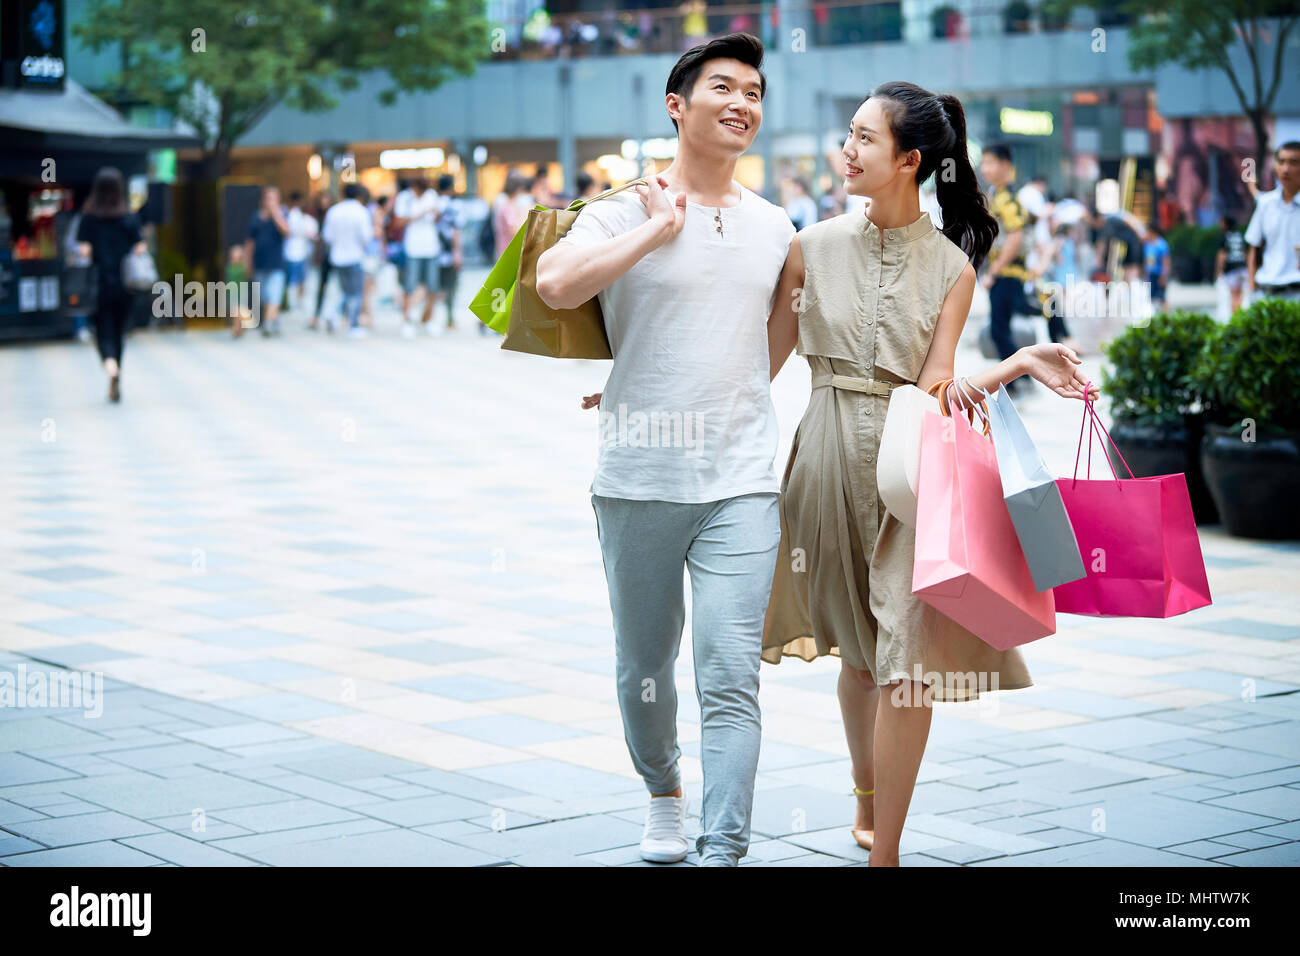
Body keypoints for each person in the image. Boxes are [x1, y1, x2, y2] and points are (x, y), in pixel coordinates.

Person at [761, 82, 1097, 867]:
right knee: (857, 654)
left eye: (863, 140)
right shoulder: (807, 246)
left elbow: (939, 387)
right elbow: (760, 364)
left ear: (909, 161)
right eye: (849, 135)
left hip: (911, 475)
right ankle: (866, 790)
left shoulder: (953, 268)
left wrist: (1014, 362)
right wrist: (646, 384)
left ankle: (889, 856)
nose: (846, 151)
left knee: (906, 664)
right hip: (822, 467)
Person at [536, 33, 795, 867]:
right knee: (643, 666)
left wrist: (710, 388)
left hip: (742, 481)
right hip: (639, 478)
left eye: (753, 91)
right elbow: (555, 285)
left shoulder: (775, 226)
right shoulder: (618, 211)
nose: (742, 103)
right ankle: (662, 794)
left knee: (729, 672)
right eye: (722, 87)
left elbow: (770, 345)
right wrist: (657, 231)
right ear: (677, 108)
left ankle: (725, 846)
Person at [76, 167, 145, 403]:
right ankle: (117, 374)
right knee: (118, 333)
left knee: (102, 331)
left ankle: (110, 367)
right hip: (126, 284)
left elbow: (83, 251)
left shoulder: (89, 219)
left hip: (99, 284)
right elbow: (140, 247)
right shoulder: (129, 218)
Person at [977, 143, 1032, 396]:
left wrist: (994, 272)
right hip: (1004, 275)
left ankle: (1016, 378)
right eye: (984, 163)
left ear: (1005, 165)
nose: (985, 168)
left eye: (990, 163)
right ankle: (1018, 378)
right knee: (1001, 328)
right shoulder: (997, 194)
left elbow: (1015, 237)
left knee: (999, 330)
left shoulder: (1008, 198)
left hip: (1008, 276)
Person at [1244, 141, 1300, 304]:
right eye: (1281, 162)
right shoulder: (1265, 203)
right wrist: (1252, 287)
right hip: (1266, 292)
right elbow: (1254, 246)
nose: (1285, 169)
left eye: (1293, 162)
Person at [320, 183, 373, 338]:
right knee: (355, 292)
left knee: (345, 291)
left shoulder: (334, 211)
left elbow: (327, 236)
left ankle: (333, 314)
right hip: (355, 256)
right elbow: (366, 237)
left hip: (337, 257)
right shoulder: (361, 212)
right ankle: (353, 324)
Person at [393, 177, 442, 336]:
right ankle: (406, 320)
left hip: (431, 247)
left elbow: (437, 219)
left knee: (433, 286)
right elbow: (398, 222)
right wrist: (421, 213)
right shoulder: (405, 198)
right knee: (409, 286)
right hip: (412, 248)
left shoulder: (432, 195)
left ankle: (428, 319)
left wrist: (435, 214)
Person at [245, 186, 290, 336]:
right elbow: (250, 241)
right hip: (260, 263)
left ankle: (268, 324)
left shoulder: (282, 214)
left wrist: (275, 214)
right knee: (264, 296)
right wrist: (248, 261)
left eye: (273, 198)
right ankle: (273, 321)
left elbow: (286, 232)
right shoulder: (256, 217)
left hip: (276, 263)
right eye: (268, 198)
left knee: (274, 294)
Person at [433, 175, 463, 330]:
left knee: (435, 286)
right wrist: (458, 252)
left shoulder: (434, 203)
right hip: (449, 253)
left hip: (433, 252)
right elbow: (456, 230)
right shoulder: (454, 205)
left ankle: (431, 317)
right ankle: (449, 318)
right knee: (451, 286)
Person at [284, 191, 318, 314]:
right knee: (295, 279)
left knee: (299, 278)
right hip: (294, 251)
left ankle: (296, 301)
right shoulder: (292, 215)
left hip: (300, 252)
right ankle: (293, 302)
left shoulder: (296, 215)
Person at [492, 171, 531, 260]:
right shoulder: (507, 207)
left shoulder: (508, 205)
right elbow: (513, 230)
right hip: (509, 252)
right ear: (518, 189)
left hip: (506, 250)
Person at [1214, 217, 1248, 314]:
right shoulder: (1239, 235)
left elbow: (1222, 256)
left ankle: (1236, 316)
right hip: (1242, 267)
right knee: (1240, 294)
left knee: (1233, 295)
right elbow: (1245, 253)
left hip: (1232, 269)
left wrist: (1218, 271)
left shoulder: (1224, 236)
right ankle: (1240, 314)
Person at [310, 193, 334, 330]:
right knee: (320, 287)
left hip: (334, 256)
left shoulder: (333, 216)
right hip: (322, 256)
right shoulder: (317, 217)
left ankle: (332, 317)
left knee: (334, 288)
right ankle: (317, 316)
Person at [1145, 223, 1173, 314]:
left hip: (1159, 274)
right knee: (1150, 297)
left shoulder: (1162, 244)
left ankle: (1166, 316)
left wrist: (1164, 275)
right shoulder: (1148, 244)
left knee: (1162, 297)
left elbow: (1166, 261)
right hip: (1151, 274)